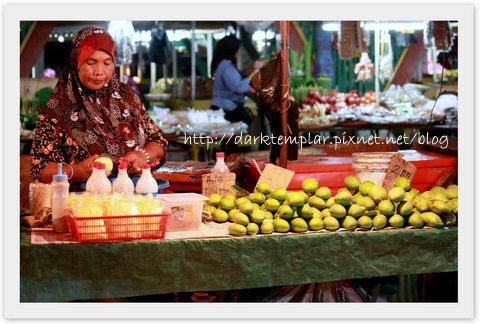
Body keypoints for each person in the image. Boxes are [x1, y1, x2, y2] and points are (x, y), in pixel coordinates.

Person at [30, 27, 168, 185]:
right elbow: (41, 169)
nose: (99, 72)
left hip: (134, 200)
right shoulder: (57, 108)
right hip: (83, 203)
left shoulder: (128, 98)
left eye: (107, 63)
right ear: (77, 62)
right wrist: (78, 171)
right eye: (91, 62)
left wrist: (143, 155)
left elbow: (158, 141)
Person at [210, 35, 265, 124]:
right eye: (238, 48)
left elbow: (239, 75)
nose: (239, 51)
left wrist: (252, 68)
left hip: (225, 106)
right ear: (231, 49)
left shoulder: (225, 64)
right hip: (226, 108)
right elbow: (239, 87)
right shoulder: (226, 67)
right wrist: (255, 72)